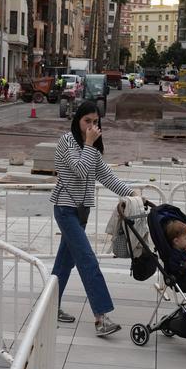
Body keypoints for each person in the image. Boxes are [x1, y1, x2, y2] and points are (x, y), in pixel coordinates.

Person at [50, 100, 139, 336]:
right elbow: (80, 170)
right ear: (77, 120)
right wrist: (89, 144)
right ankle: (101, 318)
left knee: (64, 264)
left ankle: (49, 307)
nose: (91, 126)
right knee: (88, 260)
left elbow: (106, 176)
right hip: (66, 209)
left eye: (95, 122)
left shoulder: (93, 148)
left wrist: (131, 192)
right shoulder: (66, 142)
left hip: (82, 212)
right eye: (87, 121)